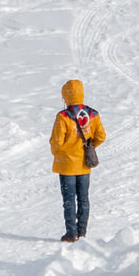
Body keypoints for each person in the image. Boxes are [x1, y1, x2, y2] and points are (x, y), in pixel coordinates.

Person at [49, 78, 105, 242]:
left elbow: (56, 142)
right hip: (84, 164)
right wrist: (90, 147)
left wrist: (59, 153)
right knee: (83, 198)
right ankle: (82, 232)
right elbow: (101, 136)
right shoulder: (92, 113)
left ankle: (71, 233)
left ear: (65, 95)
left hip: (67, 165)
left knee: (69, 200)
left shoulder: (63, 116)